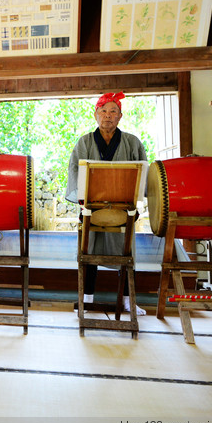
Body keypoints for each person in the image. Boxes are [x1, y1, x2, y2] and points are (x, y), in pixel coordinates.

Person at [65, 92, 147, 315]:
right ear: (95, 115)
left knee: (127, 253)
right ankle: (87, 298)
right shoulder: (85, 142)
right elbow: (75, 170)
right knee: (88, 250)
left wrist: (134, 202)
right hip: (92, 207)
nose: (107, 116)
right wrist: (83, 202)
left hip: (123, 207)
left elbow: (142, 170)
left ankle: (129, 301)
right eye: (103, 111)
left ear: (120, 116)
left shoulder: (132, 142)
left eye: (113, 112)